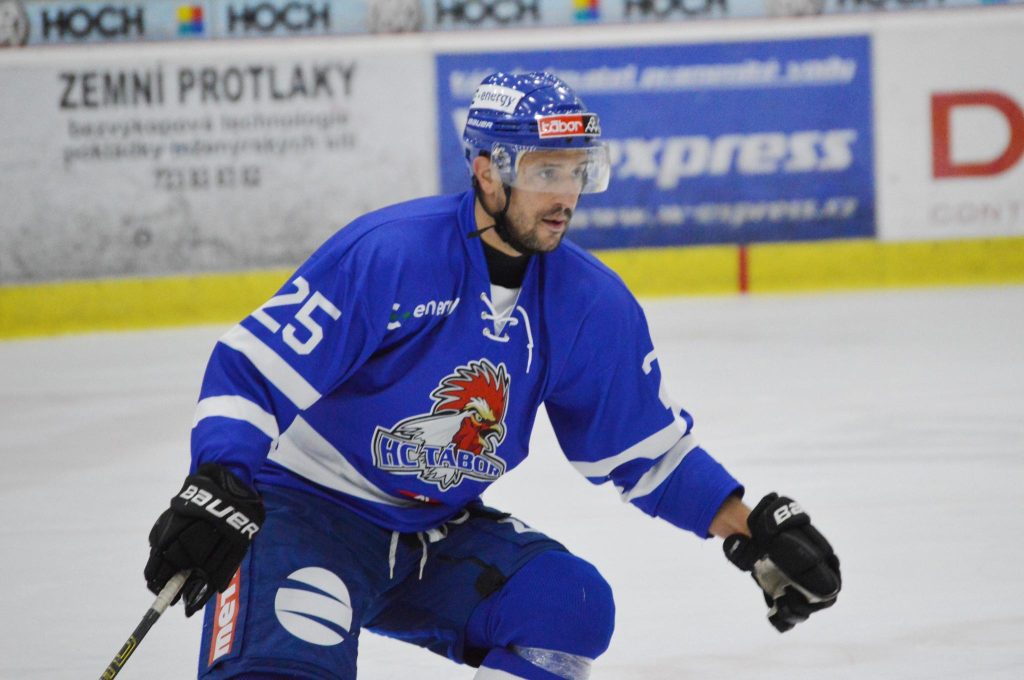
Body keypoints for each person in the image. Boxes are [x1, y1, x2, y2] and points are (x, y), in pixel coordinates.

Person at [144, 72, 841, 680]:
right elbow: (251, 368)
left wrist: (751, 531)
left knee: (569, 605)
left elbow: (645, 448)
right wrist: (220, 481)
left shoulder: (588, 303)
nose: (565, 195)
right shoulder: (390, 254)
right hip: (305, 511)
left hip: (435, 533)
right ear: (487, 170)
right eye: (545, 173)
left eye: (576, 172)